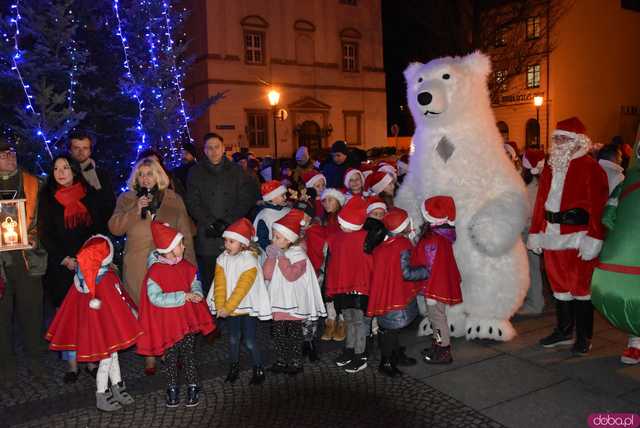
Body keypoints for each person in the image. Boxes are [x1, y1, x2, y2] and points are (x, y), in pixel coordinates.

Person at [527, 117, 609, 355]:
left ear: (577, 142)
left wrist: (594, 237)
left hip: (578, 237)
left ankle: (584, 337)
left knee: (581, 289)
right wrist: (535, 231)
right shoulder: (551, 166)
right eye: (557, 138)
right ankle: (564, 331)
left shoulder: (590, 167)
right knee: (559, 287)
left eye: (564, 138)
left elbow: (598, 205)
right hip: (551, 236)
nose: (559, 142)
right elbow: (540, 202)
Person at [108, 157, 195, 374]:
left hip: (166, 263)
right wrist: (135, 210)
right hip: (136, 263)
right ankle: (148, 354)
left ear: (159, 175)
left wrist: (190, 266)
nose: (145, 178)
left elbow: (185, 233)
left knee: (164, 308)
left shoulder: (173, 199)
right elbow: (115, 228)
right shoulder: (127, 198)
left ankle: (167, 349)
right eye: (141, 174)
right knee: (142, 308)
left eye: (150, 173)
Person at [45, 235, 142, 411]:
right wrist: (130, 312)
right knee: (106, 361)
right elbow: (119, 298)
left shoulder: (89, 277)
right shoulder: (102, 279)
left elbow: (116, 299)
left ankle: (118, 387)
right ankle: (101, 394)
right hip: (103, 330)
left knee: (114, 357)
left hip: (105, 327)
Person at [38, 154, 109, 383]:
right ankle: (71, 364)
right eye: (56, 168)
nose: (61, 172)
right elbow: (45, 233)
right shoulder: (48, 198)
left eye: (65, 167)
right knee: (66, 317)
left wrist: (89, 256)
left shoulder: (88, 195)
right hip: (62, 268)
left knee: (89, 314)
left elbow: (98, 227)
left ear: (74, 171)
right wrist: (64, 258)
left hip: (87, 264)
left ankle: (90, 361)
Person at [137, 222, 215, 408]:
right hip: (168, 324)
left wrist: (197, 293)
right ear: (170, 249)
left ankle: (193, 386)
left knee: (188, 356)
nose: (184, 246)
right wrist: (182, 296)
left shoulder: (187, 266)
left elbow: (195, 281)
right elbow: (155, 298)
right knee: (170, 359)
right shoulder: (155, 272)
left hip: (186, 321)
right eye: (180, 244)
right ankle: (172, 389)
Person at [186, 133, 259, 296]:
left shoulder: (237, 171)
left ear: (223, 148)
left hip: (233, 231)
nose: (213, 151)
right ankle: (211, 318)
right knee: (210, 279)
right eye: (209, 148)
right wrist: (210, 222)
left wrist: (227, 221)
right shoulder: (196, 172)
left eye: (216, 147)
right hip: (208, 234)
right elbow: (192, 201)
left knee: (234, 279)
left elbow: (245, 199)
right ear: (204, 151)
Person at [0, 138, 47, 382]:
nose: (9, 156)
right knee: (1, 317)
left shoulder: (33, 183)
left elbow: (45, 220)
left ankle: (35, 362)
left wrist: (34, 237)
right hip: (0, 264)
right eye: (2, 154)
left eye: (11, 152)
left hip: (28, 259)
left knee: (32, 313)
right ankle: (6, 366)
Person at [207, 219, 271, 385]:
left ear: (242, 243)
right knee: (233, 339)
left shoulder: (249, 261)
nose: (227, 244)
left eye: (231, 241)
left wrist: (227, 308)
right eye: (226, 241)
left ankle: (258, 368)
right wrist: (221, 306)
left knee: (249, 340)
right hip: (230, 309)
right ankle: (233, 367)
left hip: (246, 307)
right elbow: (219, 284)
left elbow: (242, 288)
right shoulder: (222, 259)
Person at [264, 209, 326, 374]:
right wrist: (271, 258)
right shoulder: (278, 252)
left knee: (294, 335)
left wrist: (281, 258)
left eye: (277, 237)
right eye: (274, 236)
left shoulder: (299, 255)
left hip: (294, 303)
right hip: (278, 302)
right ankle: (281, 361)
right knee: (278, 335)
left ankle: (296, 362)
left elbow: (291, 275)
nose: (273, 240)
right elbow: (267, 274)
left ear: (289, 239)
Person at [402, 196, 462, 364]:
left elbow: (426, 264)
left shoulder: (432, 240)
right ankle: (438, 344)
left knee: (437, 317)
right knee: (437, 316)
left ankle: (443, 350)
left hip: (435, 287)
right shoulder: (442, 234)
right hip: (440, 283)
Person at [366, 208, 419, 376]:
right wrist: (427, 271)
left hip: (385, 293)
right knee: (390, 330)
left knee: (390, 328)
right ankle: (386, 362)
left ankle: (395, 353)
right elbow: (407, 272)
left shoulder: (384, 244)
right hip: (396, 293)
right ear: (403, 226)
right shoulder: (403, 244)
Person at [324, 196, 373, 373]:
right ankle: (350, 349)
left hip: (360, 287)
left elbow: (370, 265)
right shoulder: (337, 238)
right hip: (343, 287)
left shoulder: (366, 239)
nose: (341, 225)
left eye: (344, 223)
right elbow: (333, 265)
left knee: (358, 322)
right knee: (350, 320)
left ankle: (360, 355)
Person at [307, 188, 346, 343]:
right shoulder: (324, 220)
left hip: (341, 261)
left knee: (341, 290)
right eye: (325, 200)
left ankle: (342, 322)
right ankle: (330, 321)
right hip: (329, 261)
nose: (327, 203)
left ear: (339, 202)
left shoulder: (342, 219)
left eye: (331, 200)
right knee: (328, 291)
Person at [518, 149, 547, 316]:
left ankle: (535, 303)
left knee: (532, 269)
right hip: (538, 230)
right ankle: (534, 301)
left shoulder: (529, 187)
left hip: (529, 231)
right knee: (534, 268)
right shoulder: (543, 183)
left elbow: (527, 212)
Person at [68, 130, 116, 217]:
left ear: (90, 151)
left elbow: (110, 205)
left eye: (85, 148)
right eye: (76, 148)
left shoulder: (102, 175)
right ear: (70, 150)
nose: (81, 151)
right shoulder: (61, 175)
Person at [253, 180, 290, 251]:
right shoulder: (265, 215)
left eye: (285, 195)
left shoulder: (287, 210)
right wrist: (270, 251)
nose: (285, 198)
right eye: (282, 195)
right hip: (274, 251)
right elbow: (262, 239)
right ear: (273, 198)